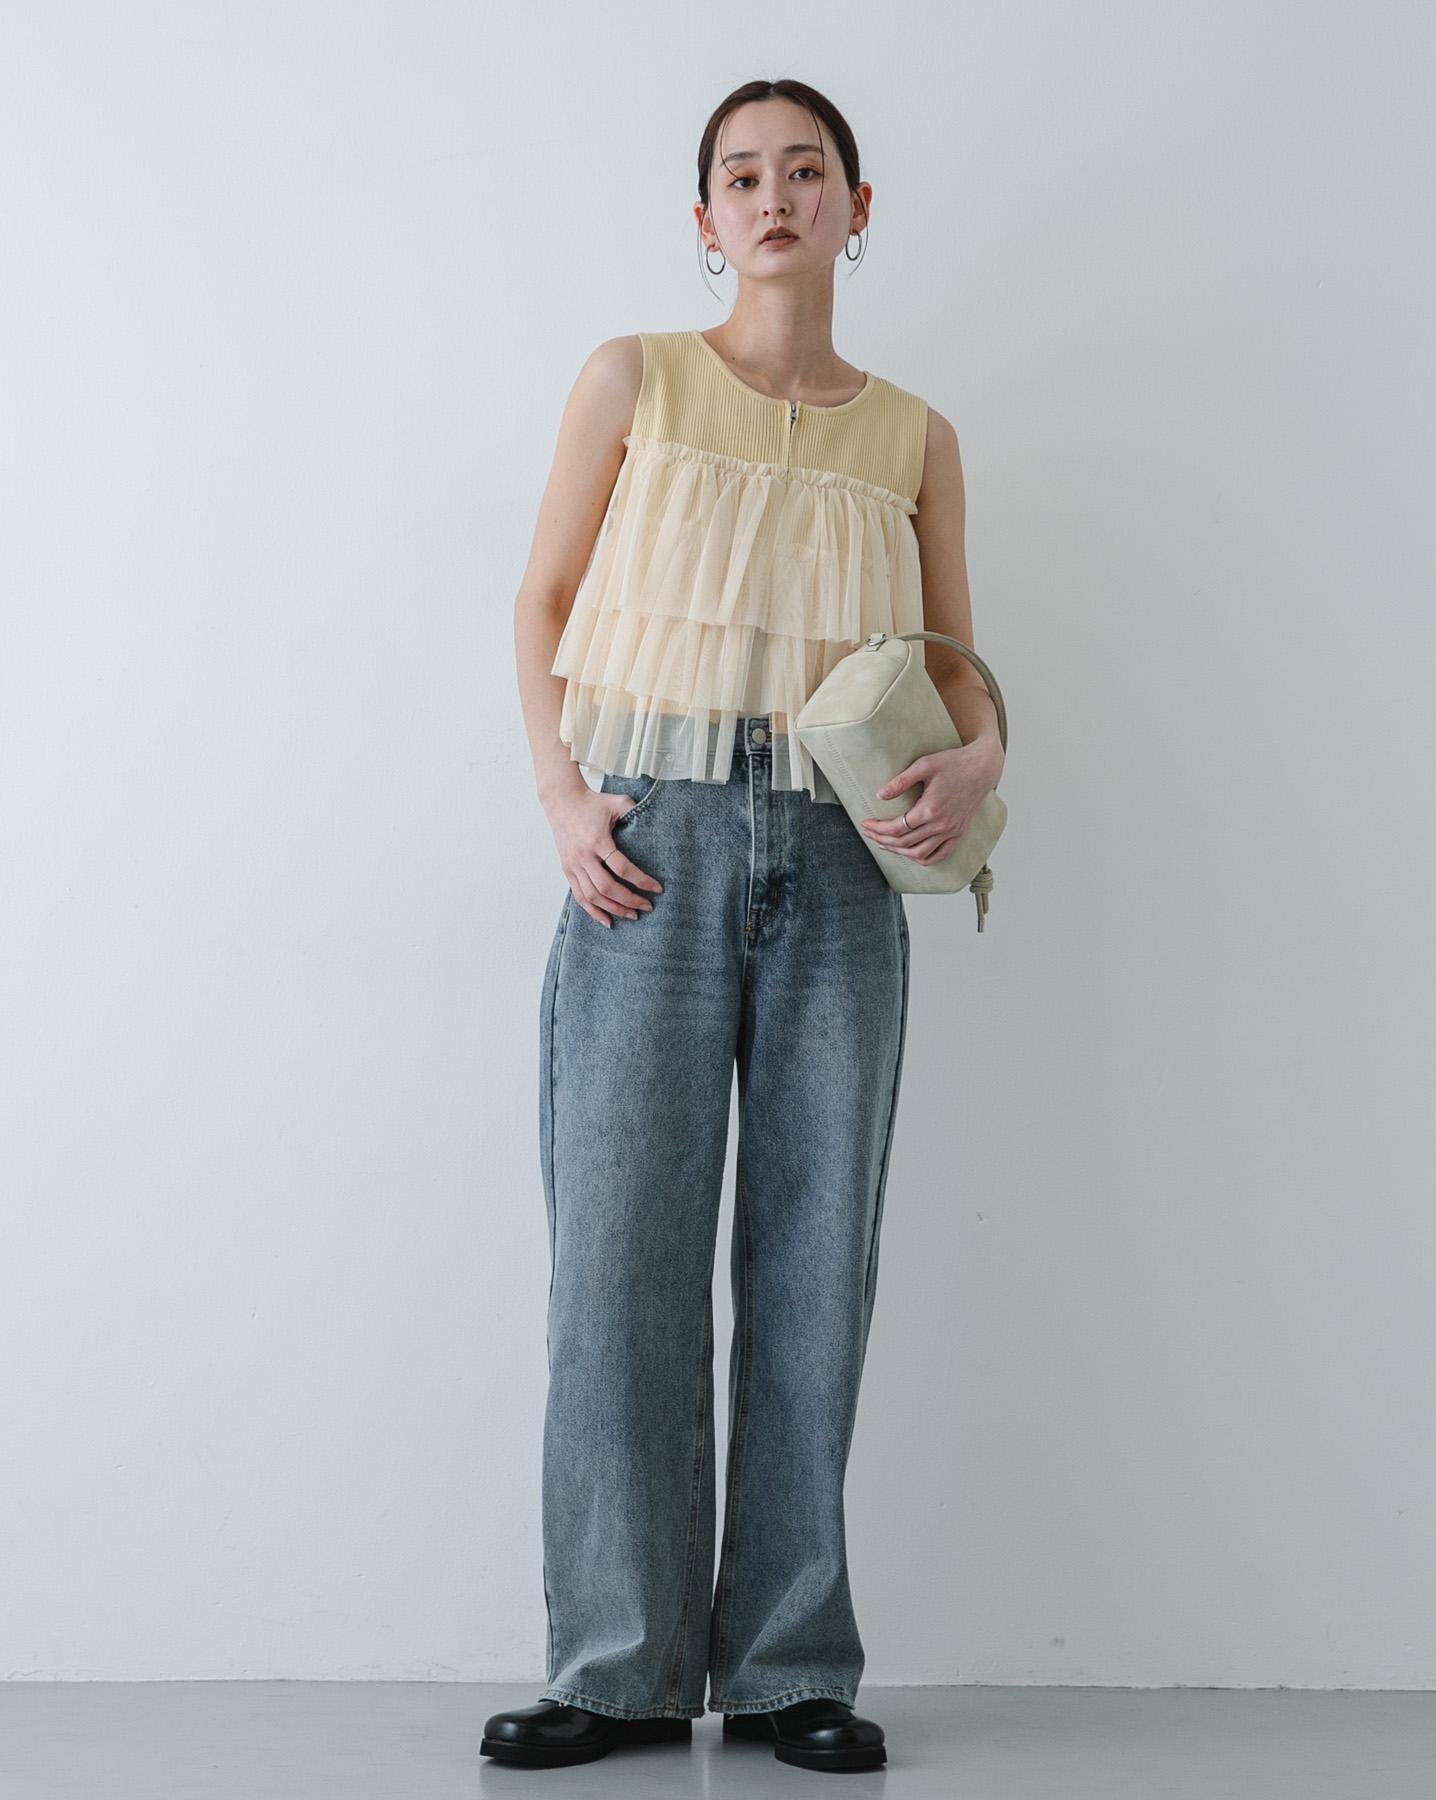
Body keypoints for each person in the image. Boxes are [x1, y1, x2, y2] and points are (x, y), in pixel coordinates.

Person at [483, 77, 1004, 1776]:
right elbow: (540, 601)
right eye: (741, 175)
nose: (774, 196)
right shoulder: (633, 378)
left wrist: (985, 753)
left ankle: (791, 1668)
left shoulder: (914, 434)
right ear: (704, 220)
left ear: (859, 204)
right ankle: (616, 1668)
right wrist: (565, 798)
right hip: (650, 843)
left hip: (842, 862)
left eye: (806, 170)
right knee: (619, 1261)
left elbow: (956, 669)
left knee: (814, 1265)